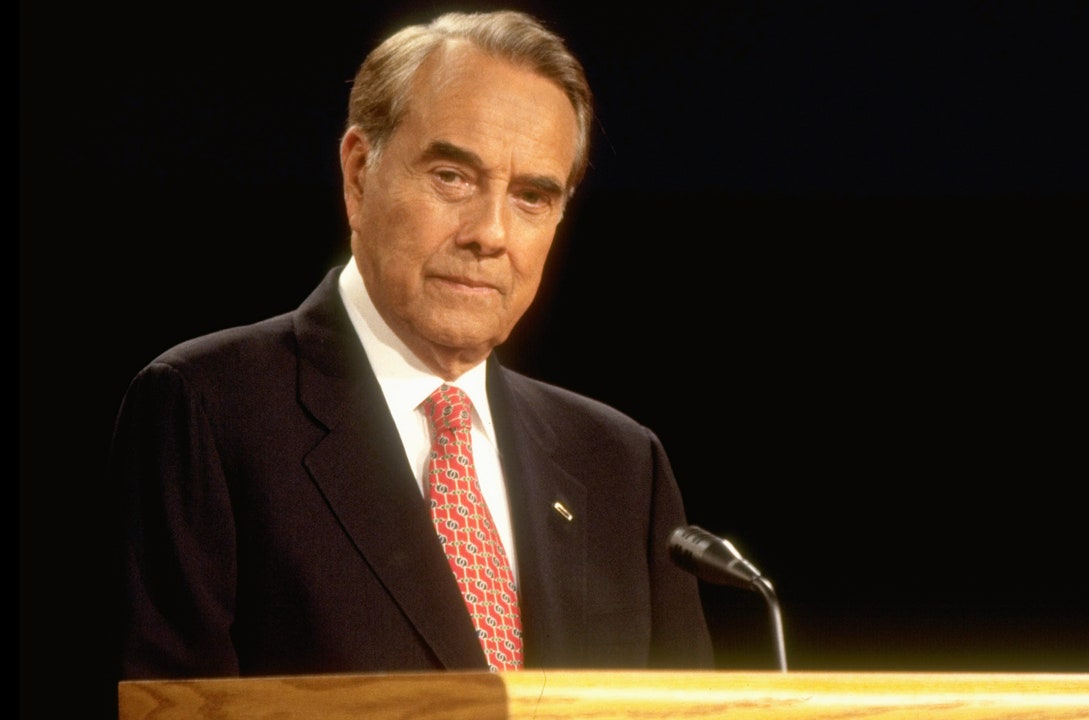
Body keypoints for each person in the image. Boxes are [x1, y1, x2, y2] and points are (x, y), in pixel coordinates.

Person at [112, 9, 715, 679]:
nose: (490, 234)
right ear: (359, 172)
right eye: (452, 177)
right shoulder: (208, 412)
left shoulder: (621, 465)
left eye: (531, 196)